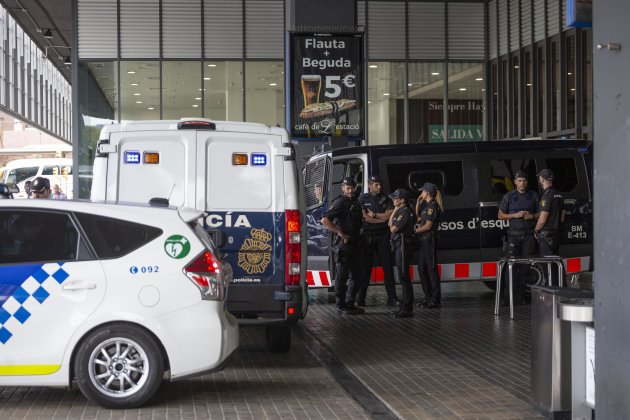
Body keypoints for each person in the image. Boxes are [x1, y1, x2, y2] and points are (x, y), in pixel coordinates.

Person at [321, 177, 365, 315]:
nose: (351, 190)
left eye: (353, 188)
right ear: (343, 188)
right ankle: (340, 305)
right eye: (348, 188)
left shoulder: (356, 202)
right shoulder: (339, 202)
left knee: (357, 275)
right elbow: (325, 220)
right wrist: (340, 233)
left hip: (356, 243)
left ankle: (350, 303)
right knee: (342, 276)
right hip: (344, 245)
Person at [497, 170, 538, 303]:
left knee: (525, 267)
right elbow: (500, 215)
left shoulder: (533, 195)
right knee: (511, 268)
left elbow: (541, 214)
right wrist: (515, 215)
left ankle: (520, 297)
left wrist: (531, 216)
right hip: (513, 237)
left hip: (528, 237)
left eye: (524, 181)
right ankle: (509, 298)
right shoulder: (509, 196)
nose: (522, 183)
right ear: (515, 182)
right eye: (519, 181)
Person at [357, 174, 397, 307]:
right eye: (376, 185)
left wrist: (374, 215)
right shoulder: (363, 198)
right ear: (369, 185)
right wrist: (382, 219)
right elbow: (364, 217)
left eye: (380, 184)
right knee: (365, 270)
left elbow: (390, 215)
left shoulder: (387, 198)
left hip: (383, 236)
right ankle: (360, 299)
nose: (379, 187)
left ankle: (392, 298)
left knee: (388, 268)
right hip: (367, 236)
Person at [414, 182, 444, 309]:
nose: (421, 193)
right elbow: (419, 219)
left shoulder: (432, 206)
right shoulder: (426, 206)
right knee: (421, 268)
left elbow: (428, 226)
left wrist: (413, 232)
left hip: (429, 240)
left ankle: (435, 299)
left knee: (431, 269)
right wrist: (418, 202)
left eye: (422, 191)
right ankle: (428, 297)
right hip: (423, 240)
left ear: (427, 192)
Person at [388, 188, 415, 318]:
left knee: (404, 277)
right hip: (399, 246)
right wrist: (395, 208)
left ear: (402, 199)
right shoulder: (400, 210)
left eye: (396, 198)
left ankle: (407, 307)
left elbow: (393, 228)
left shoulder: (405, 212)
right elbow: (389, 223)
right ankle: (404, 306)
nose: (393, 199)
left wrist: (396, 210)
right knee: (402, 277)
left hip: (404, 245)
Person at [534, 168, 564, 257]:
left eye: (539, 177)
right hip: (556, 235)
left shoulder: (547, 195)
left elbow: (543, 219)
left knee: (547, 264)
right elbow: (562, 217)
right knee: (555, 262)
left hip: (546, 236)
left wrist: (536, 230)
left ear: (542, 179)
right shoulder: (559, 194)